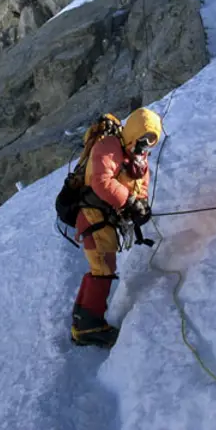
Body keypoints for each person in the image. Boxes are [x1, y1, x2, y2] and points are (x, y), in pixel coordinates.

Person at [71, 108, 163, 348]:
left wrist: (140, 205)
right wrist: (129, 202)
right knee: (102, 269)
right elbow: (101, 182)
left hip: (104, 220)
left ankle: (81, 320)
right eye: (144, 136)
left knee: (100, 268)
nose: (146, 143)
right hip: (93, 217)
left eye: (152, 139)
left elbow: (140, 186)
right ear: (133, 130)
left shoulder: (137, 159)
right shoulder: (109, 146)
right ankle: (89, 327)